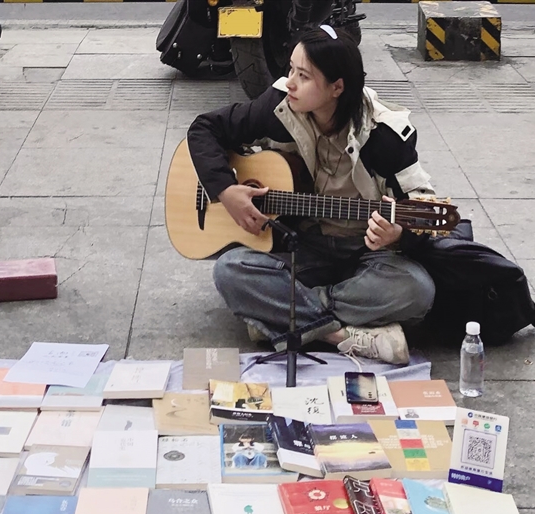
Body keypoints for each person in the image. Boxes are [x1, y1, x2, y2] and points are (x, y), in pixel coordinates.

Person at [187, 25, 437, 365]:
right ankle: (341, 336)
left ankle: (284, 316)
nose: (290, 82)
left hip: (364, 254)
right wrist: (226, 189)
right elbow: (205, 128)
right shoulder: (280, 107)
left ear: (337, 87)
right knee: (230, 270)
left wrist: (399, 234)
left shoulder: (385, 136)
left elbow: (423, 206)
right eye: (291, 69)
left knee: (416, 289)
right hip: (303, 245)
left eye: (303, 76)